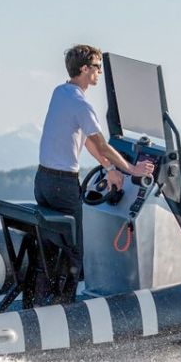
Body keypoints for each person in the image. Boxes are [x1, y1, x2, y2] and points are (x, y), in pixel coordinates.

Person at [34, 44, 155, 293]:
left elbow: (87, 142)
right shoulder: (82, 105)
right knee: (76, 251)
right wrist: (133, 170)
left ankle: (40, 302)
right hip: (62, 184)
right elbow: (101, 143)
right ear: (84, 69)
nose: (99, 72)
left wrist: (110, 168)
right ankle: (65, 310)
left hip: (43, 181)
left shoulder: (61, 93)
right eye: (97, 68)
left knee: (50, 247)